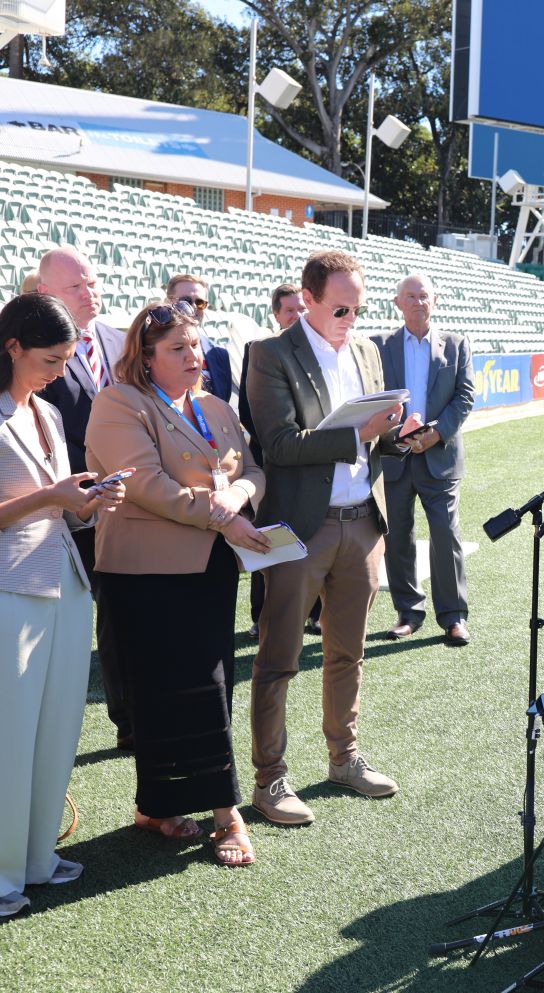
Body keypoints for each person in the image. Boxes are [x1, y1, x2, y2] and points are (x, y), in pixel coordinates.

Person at [86, 299, 268, 867]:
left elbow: (252, 469)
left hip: (210, 568)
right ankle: (224, 814)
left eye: (195, 345)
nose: (194, 357)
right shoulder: (119, 402)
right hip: (144, 575)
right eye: (177, 349)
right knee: (165, 694)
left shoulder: (214, 405)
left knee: (212, 686)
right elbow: (145, 484)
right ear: (146, 357)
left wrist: (239, 495)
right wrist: (223, 516)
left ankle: (158, 807)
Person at [245, 250, 421, 826]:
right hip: (301, 528)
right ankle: (269, 779)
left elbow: (376, 441)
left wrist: (398, 435)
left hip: (363, 523)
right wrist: (359, 435)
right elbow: (278, 445)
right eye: (341, 309)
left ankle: (344, 759)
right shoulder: (270, 354)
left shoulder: (367, 350)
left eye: (358, 309)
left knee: (348, 653)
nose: (351, 319)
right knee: (279, 658)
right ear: (308, 300)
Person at [0, 294, 127, 918]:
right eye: (50, 359)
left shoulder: (47, 410)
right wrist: (52, 496)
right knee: (9, 735)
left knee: (56, 730)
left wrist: (84, 501)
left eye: (66, 360)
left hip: (67, 582)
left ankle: (35, 859)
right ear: (12, 347)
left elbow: (57, 502)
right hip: (11, 589)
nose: (59, 371)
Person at [35, 246, 131, 750]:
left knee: (129, 616)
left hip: (136, 502)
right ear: (45, 293)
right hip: (72, 511)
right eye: (75, 286)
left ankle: (134, 720)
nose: (89, 292)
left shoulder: (121, 340)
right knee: (86, 620)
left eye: (91, 282)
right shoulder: (34, 354)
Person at [372, 274, 476, 646]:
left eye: (424, 296)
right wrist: (398, 433)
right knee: (397, 536)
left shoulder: (457, 344)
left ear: (435, 300)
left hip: (440, 457)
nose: (419, 302)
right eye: (411, 296)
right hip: (394, 456)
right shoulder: (378, 345)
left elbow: (464, 396)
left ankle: (453, 616)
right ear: (397, 303)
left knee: (446, 535)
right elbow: (372, 396)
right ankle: (408, 613)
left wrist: (435, 434)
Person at [237, 283, 321, 640]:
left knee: (316, 536)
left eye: (302, 309)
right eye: (290, 310)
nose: (297, 316)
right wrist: (281, 442)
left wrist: (312, 445)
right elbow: (247, 409)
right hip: (271, 462)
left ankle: (316, 614)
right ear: (275, 314)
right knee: (269, 537)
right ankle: (262, 616)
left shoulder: (322, 351)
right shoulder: (259, 349)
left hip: (315, 462)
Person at [165, 274, 233, 403]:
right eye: (186, 301)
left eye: (200, 302)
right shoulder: (151, 348)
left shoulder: (220, 354)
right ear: (168, 302)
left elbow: (223, 403)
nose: (194, 306)